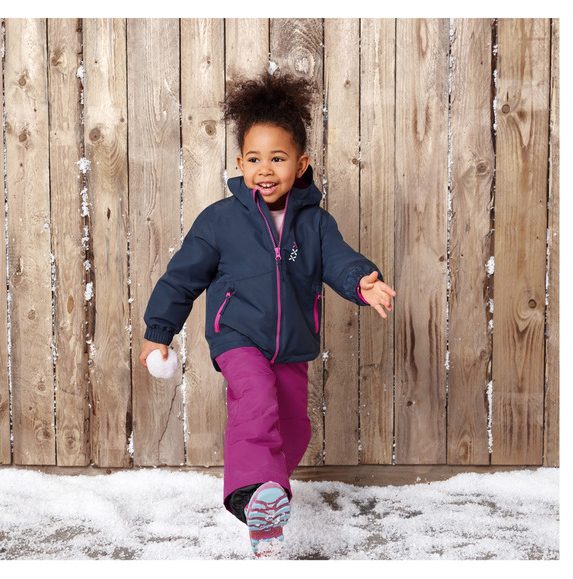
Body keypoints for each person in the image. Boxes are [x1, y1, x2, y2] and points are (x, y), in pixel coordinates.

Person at [138, 72, 396, 558]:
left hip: (293, 344)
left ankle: (266, 504)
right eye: (254, 159)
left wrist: (361, 279)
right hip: (237, 336)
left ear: (300, 165)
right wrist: (158, 332)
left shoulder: (315, 224)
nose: (265, 169)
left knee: (294, 429)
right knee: (256, 402)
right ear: (240, 163)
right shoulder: (220, 221)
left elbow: (338, 259)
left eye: (277, 158)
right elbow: (181, 278)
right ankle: (253, 497)